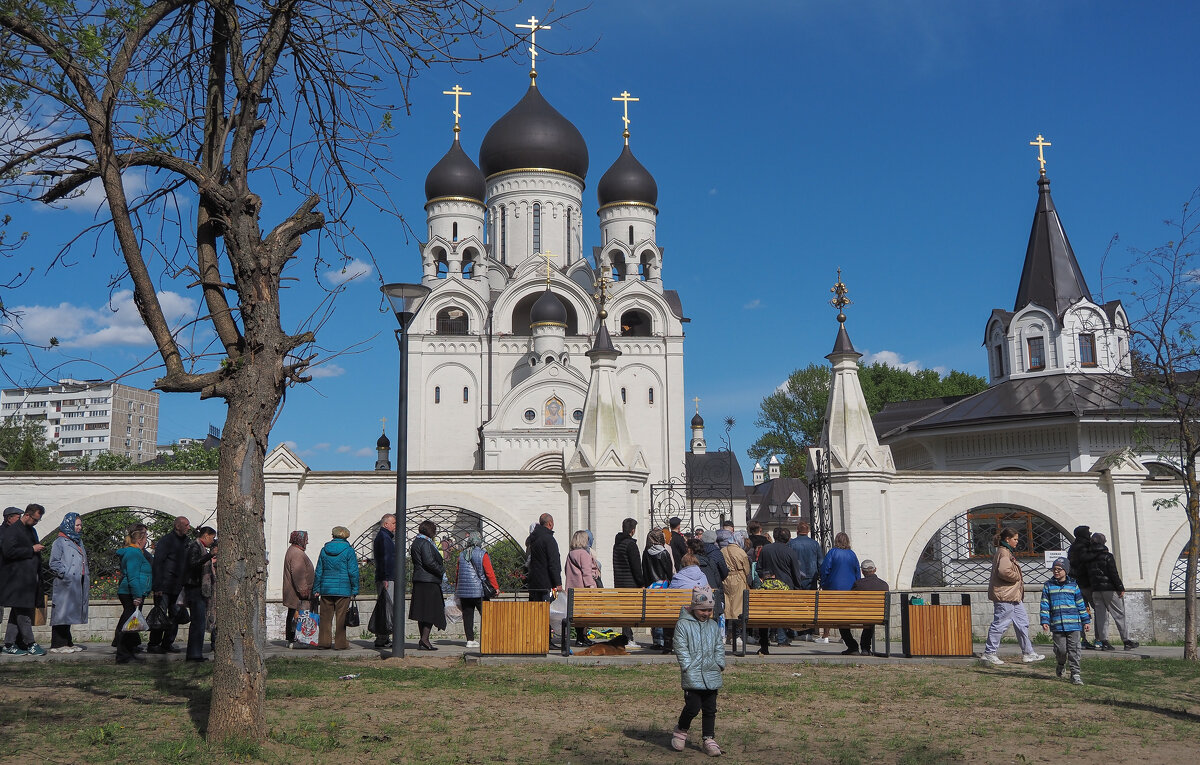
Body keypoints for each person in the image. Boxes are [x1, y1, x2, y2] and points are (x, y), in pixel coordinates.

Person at [670, 586, 726, 757]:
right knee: (693, 707)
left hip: (711, 672)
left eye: (709, 610)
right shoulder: (683, 625)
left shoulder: (713, 626)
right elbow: (680, 646)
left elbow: (718, 646)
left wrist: (719, 663)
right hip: (692, 673)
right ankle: (681, 729)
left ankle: (709, 738)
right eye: (702, 610)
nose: (706, 613)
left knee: (710, 709)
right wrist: (687, 666)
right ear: (694, 608)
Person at [981, 526, 1044, 665]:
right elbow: (1003, 571)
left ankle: (1028, 653)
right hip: (1005, 596)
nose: (1017, 541)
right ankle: (989, 653)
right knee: (1001, 623)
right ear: (1007, 539)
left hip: (1013, 596)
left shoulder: (1006, 552)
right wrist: (1017, 577)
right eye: (1015, 539)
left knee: (1022, 624)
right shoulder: (1004, 552)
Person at [0, 504, 47, 656]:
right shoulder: (13, 531)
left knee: (17, 612)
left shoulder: (31, 530)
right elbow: (8, 552)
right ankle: (30, 643)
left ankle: (8, 643)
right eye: (35, 519)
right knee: (23, 613)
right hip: (16, 579)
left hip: (29, 579)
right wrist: (31, 550)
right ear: (27, 515)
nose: (36, 523)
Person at [1040, 557, 1090, 685]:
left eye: (1059, 569)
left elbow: (1080, 604)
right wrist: (1045, 620)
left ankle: (1075, 674)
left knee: (1074, 649)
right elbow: (1045, 604)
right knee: (1061, 650)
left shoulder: (1073, 585)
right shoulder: (1048, 586)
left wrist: (1086, 620)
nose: (1056, 572)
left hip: (1073, 625)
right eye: (1054, 569)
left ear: (1066, 571)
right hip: (1057, 625)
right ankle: (1061, 664)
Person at [754, 527, 805, 654]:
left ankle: (764, 644)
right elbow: (795, 572)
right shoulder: (790, 552)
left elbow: (759, 569)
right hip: (786, 586)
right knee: (783, 612)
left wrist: (767, 576)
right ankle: (782, 639)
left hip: (768, 586)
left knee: (765, 616)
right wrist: (798, 587)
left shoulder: (765, 549)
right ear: (788, 539)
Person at [1087, 532, 1139, 651]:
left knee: (1101, 616)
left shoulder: (1088, 558)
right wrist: (1120, 587)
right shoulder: (1107, 556)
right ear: (1103, 542)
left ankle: (1104, 642)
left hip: (1095, 590)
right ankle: (1126, 641)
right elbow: (1113, 573)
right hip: (1109, 589)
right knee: (1119, 614)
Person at [47, 512, 90, 653]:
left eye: (80, 525)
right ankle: (58, 644)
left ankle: (67, 641)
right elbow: (53, 563)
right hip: (65, 582)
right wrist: (64, 574)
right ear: (69, 524)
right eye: (77, 525)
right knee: (62, 613)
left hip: (77, 582)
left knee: (69, 613)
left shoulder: (77, 541)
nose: (79, 528)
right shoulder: (59, 541)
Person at [313, 525, 359, 650]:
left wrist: (316, 588)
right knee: (341, 618)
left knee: (325, 618)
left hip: (326, 589)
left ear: (332, 535)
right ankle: (340, 644)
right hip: (343, 590)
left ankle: (323, 643)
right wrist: (355, 589)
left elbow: (319, 571)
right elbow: (353, 572)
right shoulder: (349, 551)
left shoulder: (324, 550)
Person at [149, 515, 191, 653]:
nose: (188, 528)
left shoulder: (187, 542)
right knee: (160, 615)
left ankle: (168, 643)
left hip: (178, 586)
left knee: (175, 615)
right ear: (177, 526)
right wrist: (157, 586)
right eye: (186, 525)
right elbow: (158, 563)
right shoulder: (166, 541)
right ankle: (154, 644)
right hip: (164, 586)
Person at [114, 524, 153, 664]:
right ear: (139, 540)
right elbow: (133, 576)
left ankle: (129, 652)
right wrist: (137, 595)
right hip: (131, 593)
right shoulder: (133, 553)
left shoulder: (136, 552)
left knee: (131, 624)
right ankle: (123, 655)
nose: (146, 540)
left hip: (135, 592)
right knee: (128, 625)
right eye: (145, 538)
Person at [457, 531, 500, 649]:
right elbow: (489, 572)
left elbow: (458, 573)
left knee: (467, 616)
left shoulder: (461, 554)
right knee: (487, 615)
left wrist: (457, 589)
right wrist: (495, 587)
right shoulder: (482, 554)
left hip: (464, 592)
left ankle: (470, 640)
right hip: (479, 591)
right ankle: (488, 638)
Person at [409, 519, 445, 650]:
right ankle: (424, 639)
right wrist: (441, 570)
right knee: (430, 611)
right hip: (428, 581)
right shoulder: (425, 543)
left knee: (422, 611)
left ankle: (423, 639)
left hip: (420, 580)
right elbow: (429, 562)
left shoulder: (417, 542)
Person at [564, 529, 602, 647]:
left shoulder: (570, 554)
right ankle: (582, 638)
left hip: (572, 589)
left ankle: (580, 638)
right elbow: (587, 573)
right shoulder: (584, 554)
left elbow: (566, 570)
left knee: (577, 615)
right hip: (583, 590)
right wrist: (591, 587)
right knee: (584, 615)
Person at [183, 526, 216, 661]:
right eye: (212, 538)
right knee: (198, 622)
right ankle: (194, 654)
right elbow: (193, 564)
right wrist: (210, 555)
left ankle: (195, 652)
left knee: (199, 622)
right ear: (206, 535)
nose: (212, 541)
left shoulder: (198, 547)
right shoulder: (195, 547)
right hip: (195, 587)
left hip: (198, 588)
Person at [843, 560, 889, 655]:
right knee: (870, 619)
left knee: (841, 623)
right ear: (875, 569)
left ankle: (853, 647)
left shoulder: (859, 584)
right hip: (879, 616)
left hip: (861, 615)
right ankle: (865, 648)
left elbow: (850, 601)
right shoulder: (884, 585)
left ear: (862, 571)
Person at [788, 521, 824, 641]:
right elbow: (820, 561)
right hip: (810, 576)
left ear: (797, 531)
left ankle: (795, 631)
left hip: (796, 577)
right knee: (809, 605)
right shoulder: (814, 544)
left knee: (796, 604)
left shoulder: (791, 544)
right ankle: (808, 630)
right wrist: (820, 575)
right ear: (808, 531)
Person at [612, 517, 644, 647]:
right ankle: (628, 638)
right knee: (629, 612)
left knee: (624, 611)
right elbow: (636, 567)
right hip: (630, 583)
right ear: (632, 530)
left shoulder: (617, 544)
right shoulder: (631, 545)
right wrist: (641, 582)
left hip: (620, 582)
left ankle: (627, 636)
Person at [643, 528, 676, 650]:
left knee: (654, 613)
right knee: (664, 613)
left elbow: (645, 571)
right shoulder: (664, 552)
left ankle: (657, 640)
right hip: (664, 587)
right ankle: (665, 639)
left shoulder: (646, 552)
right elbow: (668, 571)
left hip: (651, 586)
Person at [1067, 524, 1099, 649]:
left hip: (1076, 583)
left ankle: (1081, 638)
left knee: (1080, 611)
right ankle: (1099, 638)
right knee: (1099, 610)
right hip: (1086, 584)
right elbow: (1087, 560)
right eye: (1088, 532)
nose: (1090, 534)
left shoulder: (1073, 547)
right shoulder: (1085, 546)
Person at [718, 529, 750, 649]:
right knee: (738, 608)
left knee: (727, 607)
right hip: (739, 579)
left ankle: (724, 634)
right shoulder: (741, 552)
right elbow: (746, 569)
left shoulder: (722, 550)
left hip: (726, 579)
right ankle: (737, 635)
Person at [282, 530, 315, 648]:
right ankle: (296, 640)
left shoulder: (294, 551)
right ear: (299, 540)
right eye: (306, 539)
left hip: (294, 592)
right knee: (298, 616)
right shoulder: (297, 553)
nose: (307, 542)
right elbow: (298, 573)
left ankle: (292, 639)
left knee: (293, 615)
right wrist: (304, 590)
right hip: (297, 594)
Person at [371, 514, 397, 648]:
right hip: (386, 578)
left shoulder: (384, 537)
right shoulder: (384, 538)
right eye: (393, 523)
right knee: (387, 607)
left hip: (385, 577)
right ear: (386, 524)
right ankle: (382, 637)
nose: (395, 526)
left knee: (386, 606)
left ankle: (384, 637)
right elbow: (385, 559)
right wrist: (386, 577)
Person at [526, 513, 562, 603]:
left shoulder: (533, 539)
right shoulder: (549, 539)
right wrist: (558, 583)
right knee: (547, 612)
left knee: (535, 613)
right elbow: (553, 563)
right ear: (550, 523)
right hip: (547, 584)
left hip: (534, 584)